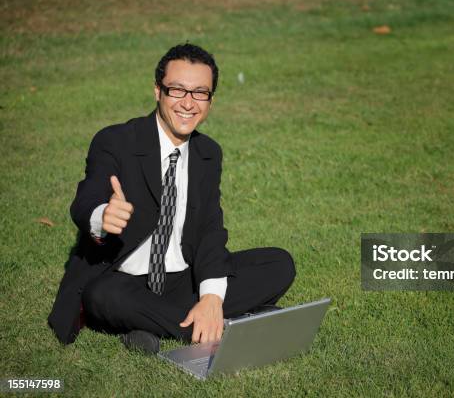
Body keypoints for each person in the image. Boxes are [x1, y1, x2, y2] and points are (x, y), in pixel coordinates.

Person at [47, 43, 296, 354]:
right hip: (126, 281)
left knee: (279, 264)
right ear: (157, 91)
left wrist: (211, 298)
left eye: (200, 93)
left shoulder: (207, 153)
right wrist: (101, 215)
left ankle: (155, 326)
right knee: (103, 295)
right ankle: (223, 328)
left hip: (181, 279)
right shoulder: (115, 140)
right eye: (177, 90)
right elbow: (87, 198)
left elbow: (208, 228)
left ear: (210, 101)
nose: (188, 103)